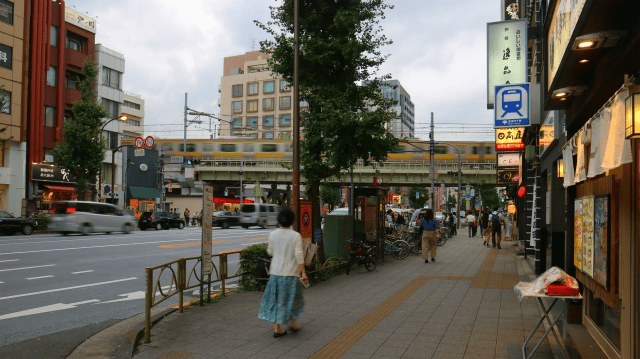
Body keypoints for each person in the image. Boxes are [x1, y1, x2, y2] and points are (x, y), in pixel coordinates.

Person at [258, 207, 307, 338]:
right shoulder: (295, 235)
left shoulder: (273, 234)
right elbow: (299, 255)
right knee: (293, 299)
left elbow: (270, 252)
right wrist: (303, 272)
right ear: (292, 221)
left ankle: (277, 329)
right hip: (291, 274)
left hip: (275, 273)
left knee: (276, 300)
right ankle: (293, 323)